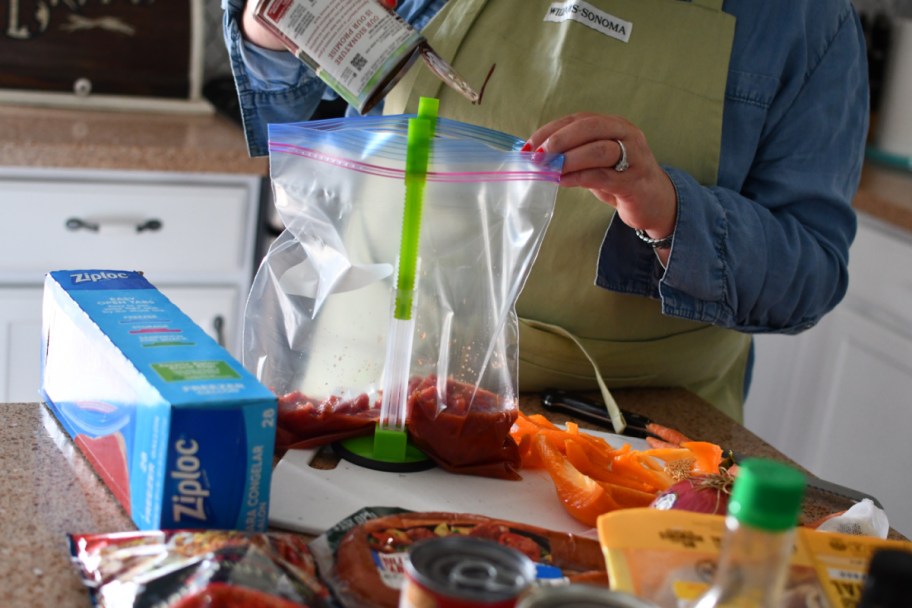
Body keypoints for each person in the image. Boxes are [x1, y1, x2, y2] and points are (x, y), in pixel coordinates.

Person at [221, 0, 869, 423]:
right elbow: (303, 102)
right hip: (366, 381)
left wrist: (669, 211)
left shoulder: (802, 20)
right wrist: (271, 32)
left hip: (619, 433)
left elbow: (808, 273)